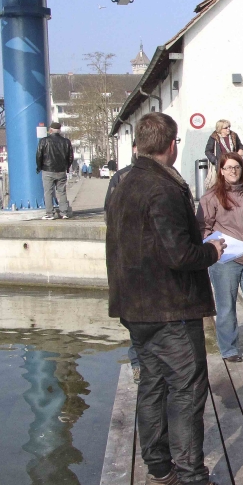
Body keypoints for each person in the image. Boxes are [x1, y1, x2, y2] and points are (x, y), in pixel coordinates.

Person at [106, 112, 243, 485]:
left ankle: (159, 470)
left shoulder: (122, 182)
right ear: (171, 145)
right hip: (169, 306)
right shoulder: (163, 187)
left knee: (153, 386)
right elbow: (178, 254)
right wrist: (212, 250)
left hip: (135, 306)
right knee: (187, 392)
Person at [197, 152, 243, 360]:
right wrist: (212, 245)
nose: (233, 171)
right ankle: (229, 349)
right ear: (221, 171)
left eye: (236, 167)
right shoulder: (211, 197)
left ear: (242, 169)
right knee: (226, 305)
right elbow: (203, 227)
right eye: (228, 167)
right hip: (225, 259)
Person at [106, 140, 140, 381]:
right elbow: (110, 215)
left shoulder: (171, 176)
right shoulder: (121, 177)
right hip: (130, 258)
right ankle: (137, 363)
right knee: (136, 317)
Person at [36, 121, 74, 219]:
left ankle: (50, 214)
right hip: (61, 171)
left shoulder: (44, 141)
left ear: (51, 130)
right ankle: (64, 213)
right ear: (59, 130)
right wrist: (67, 167)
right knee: (62, 192)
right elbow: (70, 157)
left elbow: (39, 155)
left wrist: (39, 167)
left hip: (48, 170)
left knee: (48, 192)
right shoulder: (66, 142)